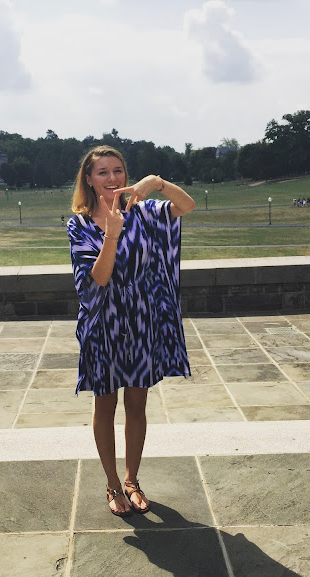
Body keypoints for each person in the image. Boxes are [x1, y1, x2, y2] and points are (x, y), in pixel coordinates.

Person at [67, 146, 195, 517]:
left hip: (142, 322)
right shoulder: (79, 225)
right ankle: (112, 484)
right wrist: (111, 233)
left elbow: (186, 206)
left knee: (137, 404)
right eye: (102, 172)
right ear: (89, 179)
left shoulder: (145, 212)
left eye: (118, 170)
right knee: (105, 405)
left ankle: (132, 480)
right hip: (103, 325)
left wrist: (155, 182)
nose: (112, 178)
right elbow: (97, 279)